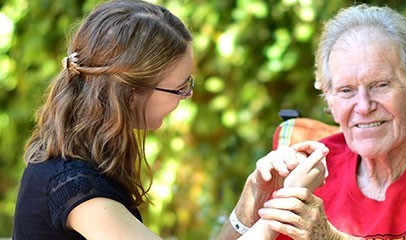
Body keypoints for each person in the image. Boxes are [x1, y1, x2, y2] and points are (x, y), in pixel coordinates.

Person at [12, 1, 329, 239]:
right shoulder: (75, 189)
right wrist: (285, 208)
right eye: (180, 87)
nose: (187, 96)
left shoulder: (76, 169)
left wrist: (252, 201)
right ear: (132, 92)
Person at [219, 4, 406, 240]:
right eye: (346, 91)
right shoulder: (312, 168)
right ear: (331, 103)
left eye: (380, 85)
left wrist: (329, 238)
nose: (363, 106)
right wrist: (252, 199)